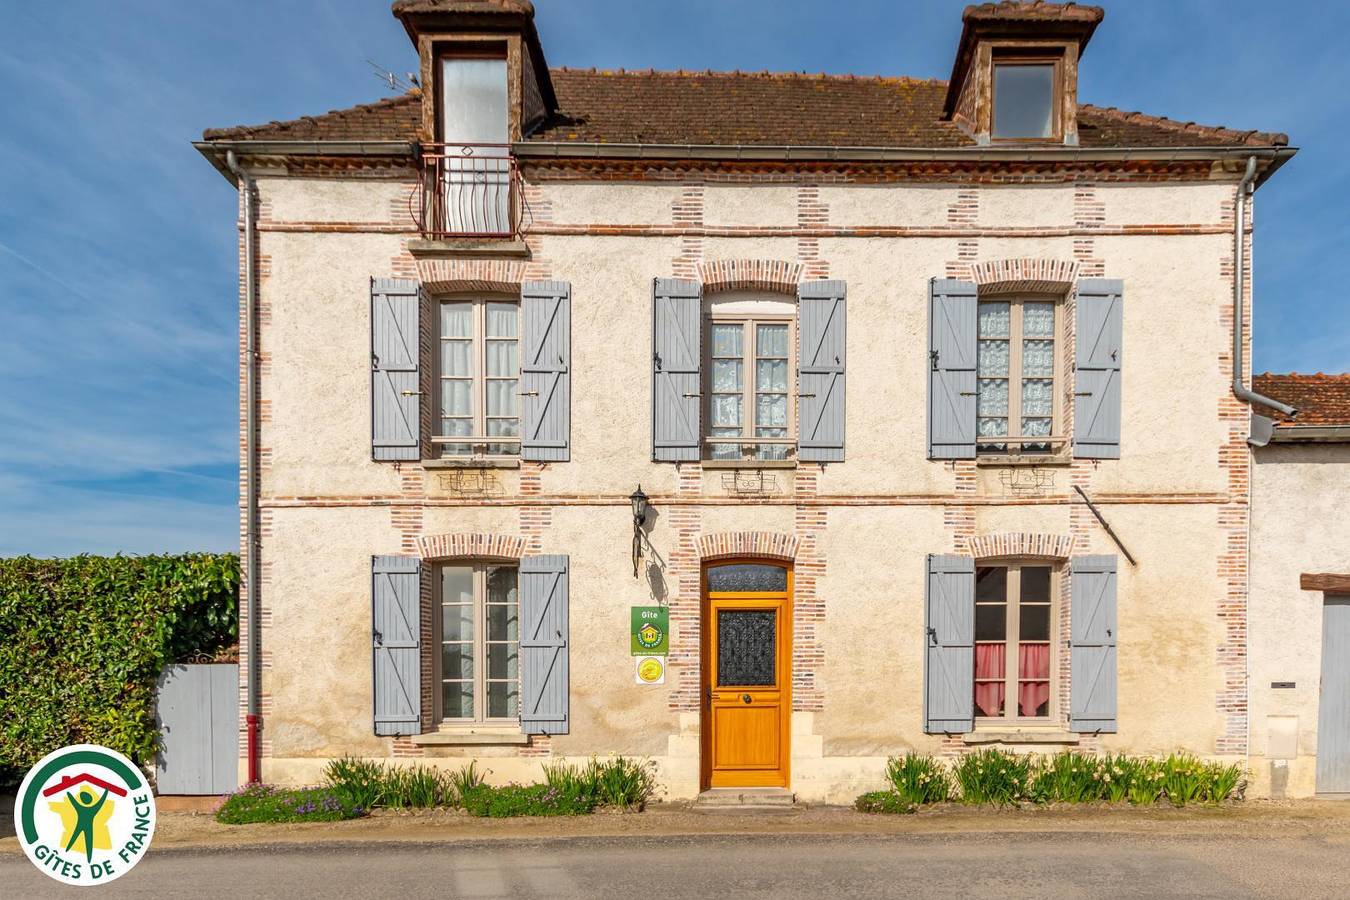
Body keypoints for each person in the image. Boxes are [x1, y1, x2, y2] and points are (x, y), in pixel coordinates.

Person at [64, 787, 110, 862]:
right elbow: (101, 801)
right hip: (88, 827)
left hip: (81, 825)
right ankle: (89, 859)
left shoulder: (80, 807)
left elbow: (73, 801)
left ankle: (67, 850)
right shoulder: (94, 809)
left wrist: (68, 793)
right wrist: (106, 791)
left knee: (73, 839)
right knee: (89, 843)